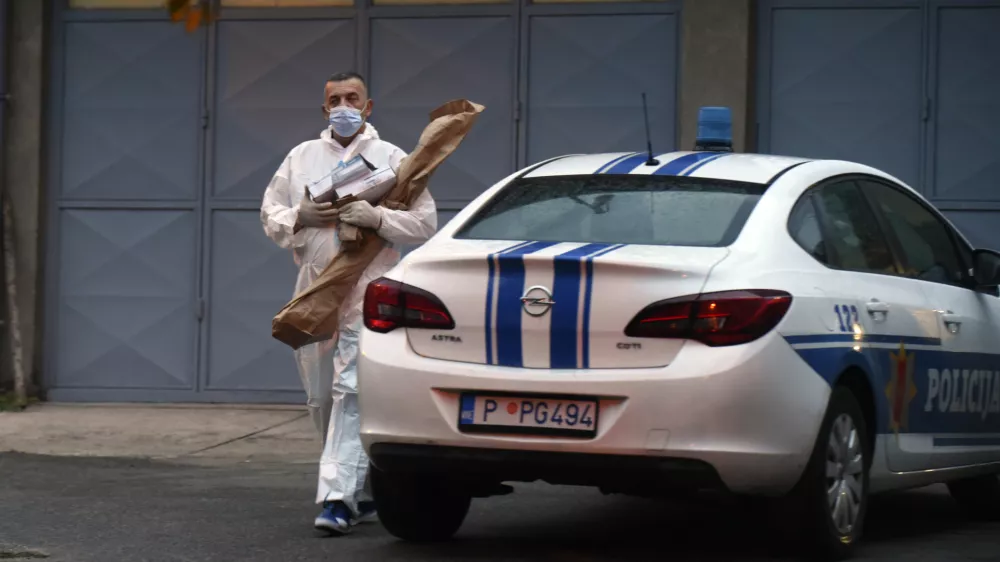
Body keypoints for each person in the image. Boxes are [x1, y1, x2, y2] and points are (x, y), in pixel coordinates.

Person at [260, 71, 437, 535]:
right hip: (315, 287)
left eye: (351, 98)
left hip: (368, 285)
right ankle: (358, 488)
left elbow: (424, 223)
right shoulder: (302, 157)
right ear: (324, 110)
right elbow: (270, 213)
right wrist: (300, 215)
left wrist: (379, 216)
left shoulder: (393, 158)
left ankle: (336, 498)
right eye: (334, 99)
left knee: (353, 390)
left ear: (368, 106)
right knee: (321, 396)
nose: (343, 105)